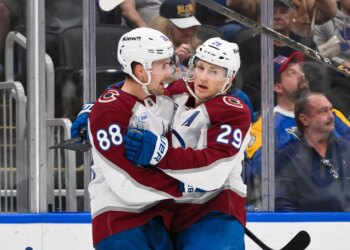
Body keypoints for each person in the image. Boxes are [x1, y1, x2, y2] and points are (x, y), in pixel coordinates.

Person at [124, 37, 252, 249]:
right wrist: (101, 105)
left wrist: (160, 153)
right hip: (170, 212)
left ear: (229, 78)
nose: (203, 77)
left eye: (214, 72)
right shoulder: (177, 91)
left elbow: (213, 170)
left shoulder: (234, 111)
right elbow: (137, 90)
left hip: (214, 213)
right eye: (200, 67)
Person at [87, 27, 183, 249]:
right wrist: (189, 185)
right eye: (163, 65)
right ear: (140, 71)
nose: (169, 72)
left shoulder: (162, 101)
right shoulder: (110, 110)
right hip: (120, 222)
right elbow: (124, 180)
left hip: (159, 219)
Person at [245, 51, 350, 210]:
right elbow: (262, 168)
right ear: (277, 86)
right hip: (299, 200)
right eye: (292, 73)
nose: (302, 75)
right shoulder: (264, 123)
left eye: (301, 70)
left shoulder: (333, 114)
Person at [275, 92, 350, 211]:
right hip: (311, 227)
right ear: (304, 119)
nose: (331, 116)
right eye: (323, 111)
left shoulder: (346, 149)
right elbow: (283, 203)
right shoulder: (288, 157)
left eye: (331, 110)